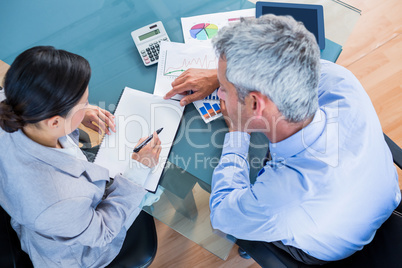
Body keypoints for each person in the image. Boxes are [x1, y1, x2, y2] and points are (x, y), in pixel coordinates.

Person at [166, 15, 401, 264]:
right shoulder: (341, 82)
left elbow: (223, 214)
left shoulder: (281, 202)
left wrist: (237, 131)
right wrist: (219, 75)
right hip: (384, 198)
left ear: (256, 103)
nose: (219, 92)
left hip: (333, 249)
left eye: (224, 87)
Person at [0, 46, 161, 267]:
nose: (88, 106)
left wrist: (75, 116)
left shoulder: (13, 106)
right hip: (78, 248)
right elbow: (102, 232)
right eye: (83, 103)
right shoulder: (60, 198)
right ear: (54, 121)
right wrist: (138, 171)